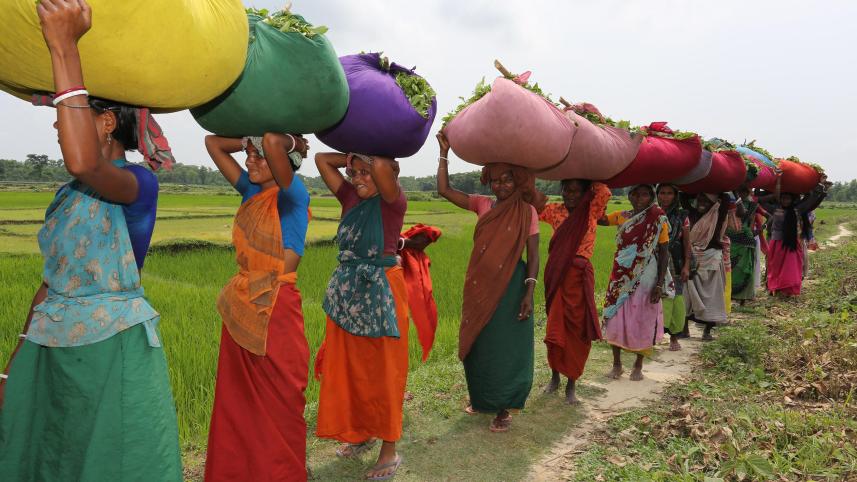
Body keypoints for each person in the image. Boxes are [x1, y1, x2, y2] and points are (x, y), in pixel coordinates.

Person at [0, 1, 181, 479]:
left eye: (67, 116)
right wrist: (14, 361)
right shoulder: (65, 196)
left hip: (109, 349)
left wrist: (64, 46)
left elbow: (84, 162)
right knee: (52, 456)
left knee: (106, 463)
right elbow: (51, 282)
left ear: (104, 123)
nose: (56, 126)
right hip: (50, 344)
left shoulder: (137, 185)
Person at [203, 133, 311, 482]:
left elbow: (275, 143)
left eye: (258, 156)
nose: (249, 160)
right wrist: (249, 140)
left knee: (281, 398)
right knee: (238, 402)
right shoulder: (251, 190)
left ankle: (281, 473)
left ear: (283, 162)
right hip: (244, 304)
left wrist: (289, 144)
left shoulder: (292, 195)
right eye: (248, 154)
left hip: (276, 307)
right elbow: (212, 142)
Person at [437, 132, 543, 432]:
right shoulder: (482, 205)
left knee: (506, 347)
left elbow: (534, 255)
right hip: (479, 286)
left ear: (518, 181)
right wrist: (444, 153)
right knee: (479, 344)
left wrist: (529, 291)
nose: (501, 186)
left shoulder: (527, 212)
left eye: (507, 180)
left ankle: (503, 408)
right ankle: (481, 398)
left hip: (511, 288)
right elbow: (444, 190)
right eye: (495, 180)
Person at [314, 150, 408, 481]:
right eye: (353, 173)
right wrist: (352, 155)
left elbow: (381, 164)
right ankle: (360, 433)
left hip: (382, 292)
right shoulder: (350, 198)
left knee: (383, 372)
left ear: (387, 176)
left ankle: (389, 450)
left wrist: (368, 153)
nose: (357, 179)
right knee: (352, 369)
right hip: (348, 293)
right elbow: (321, 159)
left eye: (365, 173)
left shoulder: (392, 202)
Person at [539, 180, 611, 403]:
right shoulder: (554, 210)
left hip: (579, 277)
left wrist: (584, 172)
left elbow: (604, 191)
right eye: (567, 190)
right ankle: (554, 377)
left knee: (579, 331)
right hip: (558, 275)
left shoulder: (592, 209)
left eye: (576, 191)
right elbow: (531, 206)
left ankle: (571, 383)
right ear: (561, 191)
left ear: (585, 192)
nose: (570, 195)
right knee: (555, 327)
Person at [598, 184, 670, 381]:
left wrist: (659, 284)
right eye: (635, 194)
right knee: (614, 314)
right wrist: (600, 195)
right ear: (629, 196)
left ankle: (638, 365)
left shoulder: (658, 219)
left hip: (646, 275)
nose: (639, 198)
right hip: (620, 274)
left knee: (643, 316)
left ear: (651, 197)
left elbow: (664, 253)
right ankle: (617, 364)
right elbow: (599, 220)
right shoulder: (622, 216)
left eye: (645, 195)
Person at [758, 182, 828, 297]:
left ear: (792, 200)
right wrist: (767, 190)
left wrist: (817, 191)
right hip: (776, 243)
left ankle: (788, 289)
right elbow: (760, 200)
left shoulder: (797, 210)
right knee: (775, 266)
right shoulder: (774, 209)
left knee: (791, 267)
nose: (785, 201)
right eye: (783, 198)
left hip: (791, 244)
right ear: (780, 199)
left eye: (788, 199)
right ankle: (775, 287)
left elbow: (809, 202)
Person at [683, 193, 730, 341]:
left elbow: (726, 198)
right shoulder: (692, 213)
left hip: (711, 259)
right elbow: (682, 196)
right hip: (693, 259)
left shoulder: (718, 215)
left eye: (706, 201)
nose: (702, 203)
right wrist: (698, 188)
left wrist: (712, 187)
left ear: (714, 203)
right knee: (688, 294)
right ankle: (684, 329)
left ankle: (707, 331)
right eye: (700, 200)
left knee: (712, 296)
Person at [655, 184, 691, 350]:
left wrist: (686, 266)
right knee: (654, 296)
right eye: (662, 193)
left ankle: (674, 336)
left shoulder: (682, 216)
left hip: (675, 262)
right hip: (653, 261)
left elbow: (687, 244)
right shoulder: (652, 213)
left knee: (675, 297)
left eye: (669, 193)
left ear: (675, 196)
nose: (665, 197)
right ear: (657, 195)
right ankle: (652, 334)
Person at [729, 186, 761, 304]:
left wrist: (759, 230)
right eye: (738, 191)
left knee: (745, 266)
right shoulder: (729, 202)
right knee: (732, 266)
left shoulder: (752, 205)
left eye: (743, 191)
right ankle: (731, 294)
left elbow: (746, 217)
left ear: (747, 192)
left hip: (745, 238)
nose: (740, 193)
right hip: (731, 236)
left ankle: (744, 296)